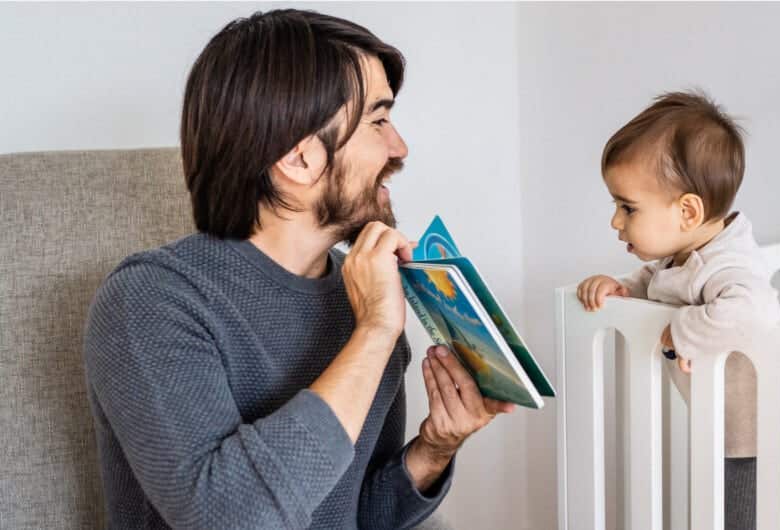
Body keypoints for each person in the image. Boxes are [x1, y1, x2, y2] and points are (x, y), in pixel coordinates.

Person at [83, 9, 513, 529]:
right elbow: (228, 519)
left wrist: (434, 449)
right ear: (299, 158)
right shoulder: (151, 301)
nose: (399, 148)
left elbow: (356, 515)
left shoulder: (360, 296)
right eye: (378, 121)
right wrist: (375, 332)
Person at [576, 90, 780, 528]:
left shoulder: (728, 263)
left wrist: (681, 328)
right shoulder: (682, 257)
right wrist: (621, 291)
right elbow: (657, 284)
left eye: (627, 207)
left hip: (769, 443)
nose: (615, 221)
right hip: (734, 437)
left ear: (687, 211)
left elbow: (751, 313)